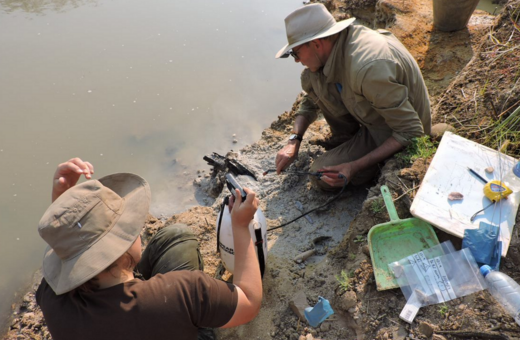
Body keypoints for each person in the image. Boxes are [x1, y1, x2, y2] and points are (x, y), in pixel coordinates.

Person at [35, 158, 262, 340]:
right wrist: (240, 227)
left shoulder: (52, 299)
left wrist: (64, 205)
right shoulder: (182, 294)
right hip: (166, 322)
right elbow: (249, 302)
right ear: (121, 248)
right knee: (179, 237)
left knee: (175, 235)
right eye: (129, 226)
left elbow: (66, 248)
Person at [275, 4, 431, 190]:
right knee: (312, 77)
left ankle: (370, 165)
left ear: (316, 43)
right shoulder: (336, 47)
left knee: (320, 175)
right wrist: (294, 140)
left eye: (296, 52)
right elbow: (311, 100)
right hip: (379, 115)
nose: (296, 60)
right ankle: (348, 141)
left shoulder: (367, 67)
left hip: (398, 133)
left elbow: (411, 131)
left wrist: (353, 167)